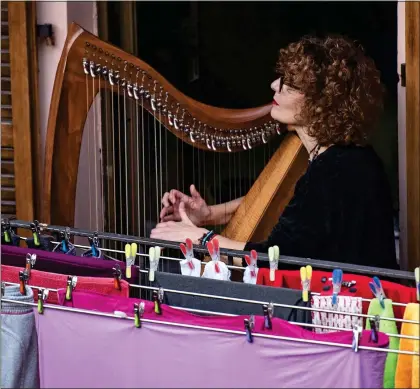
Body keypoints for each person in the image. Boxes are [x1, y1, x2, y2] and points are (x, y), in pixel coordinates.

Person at [150, 35, 399, 270]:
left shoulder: (339, 168)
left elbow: (277, 261)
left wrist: (201, 238)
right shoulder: (337, 156)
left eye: (290, 86)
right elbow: (300, 206)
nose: (274, 85)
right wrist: (209, 214)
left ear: (322, 103)